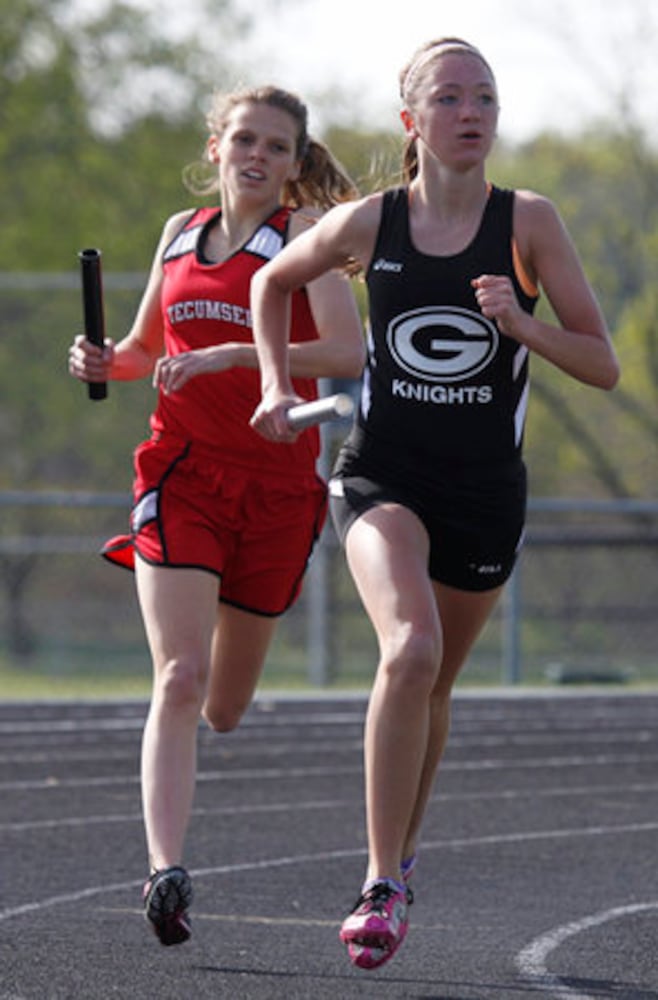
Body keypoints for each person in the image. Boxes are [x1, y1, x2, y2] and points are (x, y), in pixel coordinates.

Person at [249, 38, 620, 970]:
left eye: (485, 97)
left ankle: (400, 864)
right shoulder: (372, 224)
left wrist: (522, 321)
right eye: (450, 97)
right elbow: (269, 281)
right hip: (386, 475)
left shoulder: (527, 221)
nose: (472, 111)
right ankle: (379, 878)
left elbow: (602, 363)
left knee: (435, 681)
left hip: (487, 492)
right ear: (411, 121)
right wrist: (270, 384)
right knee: (407, 649)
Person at [68, 84, 365, 947]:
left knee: (225, 707)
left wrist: (245, 350)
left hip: (275, 490)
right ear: (215, 148)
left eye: (277, 146)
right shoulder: (177, 235)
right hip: (183, 474)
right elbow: (144, 355)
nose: (257, 157)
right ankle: (165, 870)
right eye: (244, 140)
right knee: (179, 677)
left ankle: (188, 760)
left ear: (294, 161)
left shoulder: (303, 240)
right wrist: (102, 358)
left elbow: (347, 352)